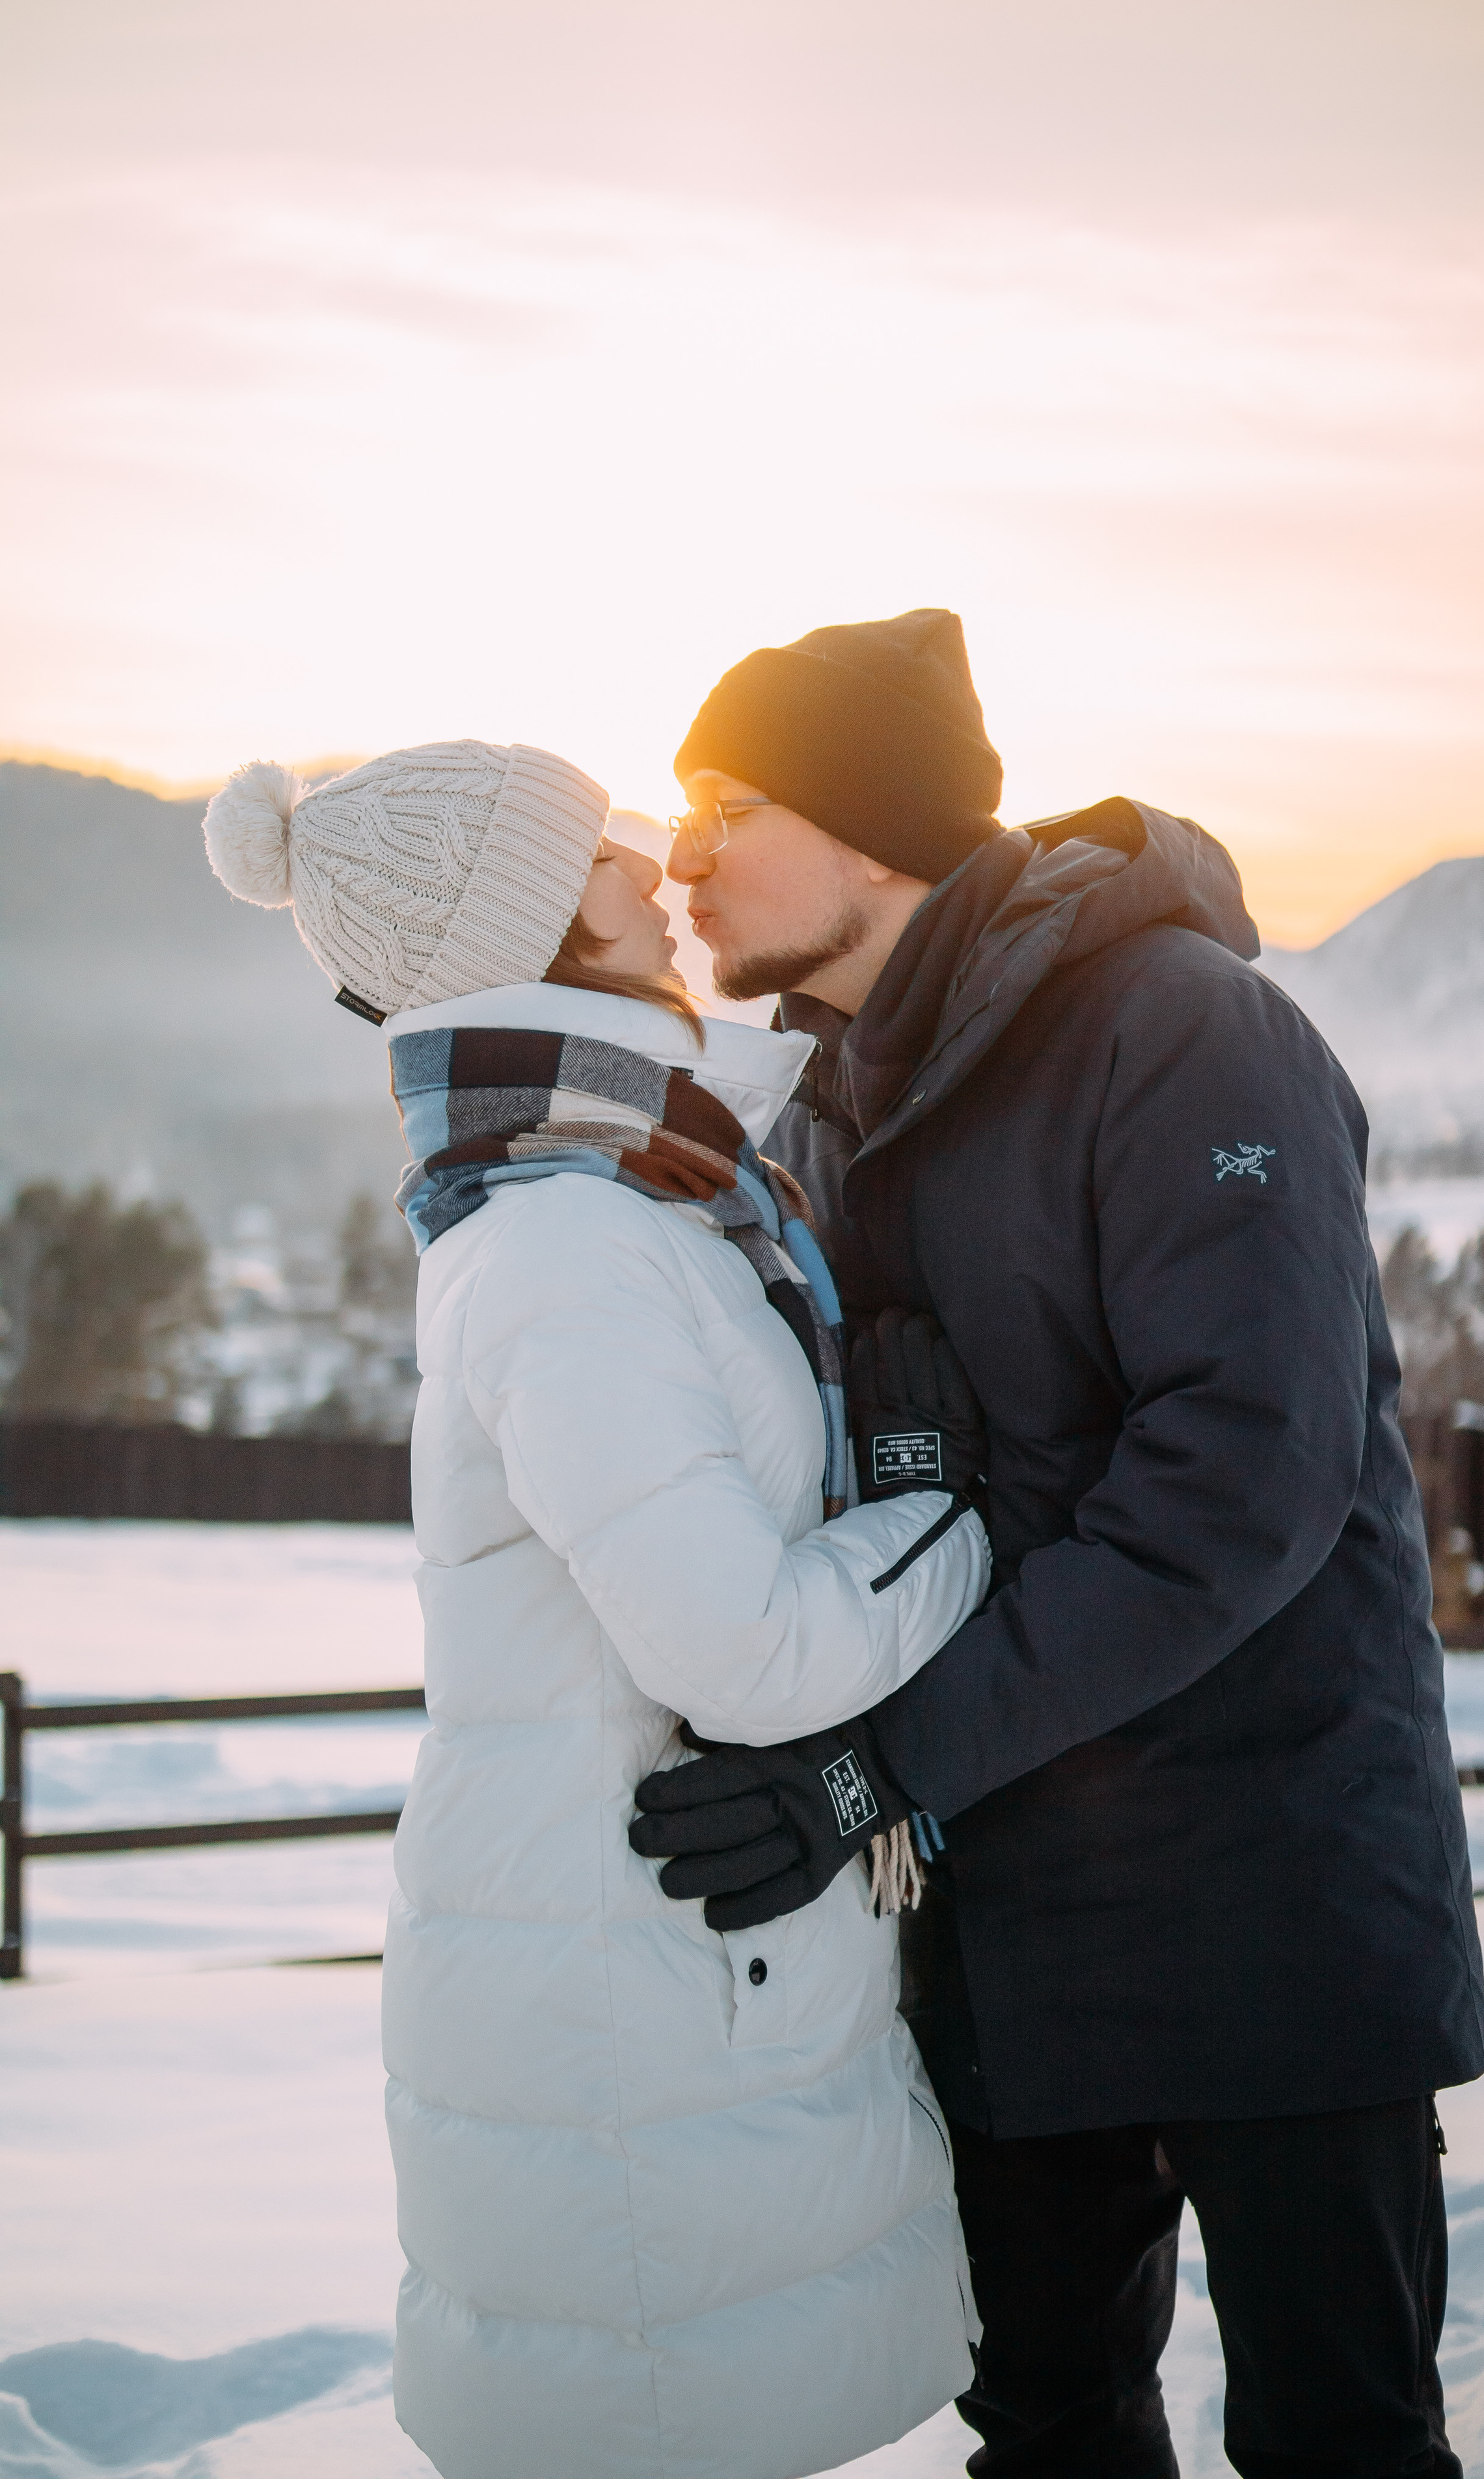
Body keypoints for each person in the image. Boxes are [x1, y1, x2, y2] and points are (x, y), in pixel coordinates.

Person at [632, 612, 1484, 2479]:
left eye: (730, 805)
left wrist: (879, 1766)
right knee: (1049, 2431)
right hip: (1013, 1919)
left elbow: (1232, 1490)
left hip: (1275, 1906)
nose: (682, 854)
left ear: (872, 830)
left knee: (1341, 2438)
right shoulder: (835, 1108)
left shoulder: (1186, 1034)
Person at [201, 736, 993, 2479]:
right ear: (530, 929)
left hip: (661, 1972)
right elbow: (749, 1647)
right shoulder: (568, 1248)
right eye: (604, 853)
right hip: (617, 2008)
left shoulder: (646, 1196)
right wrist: (972, 1523)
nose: (656, 868)